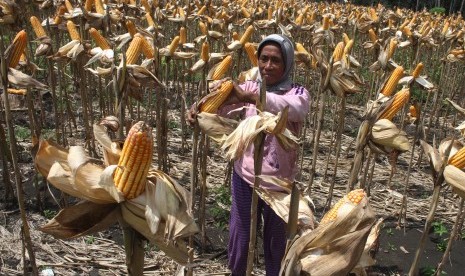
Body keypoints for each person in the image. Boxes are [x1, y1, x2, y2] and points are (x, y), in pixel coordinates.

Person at [188, 34, 310, 276]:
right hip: (244, 177)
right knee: (241, 239)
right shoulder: (251, 86)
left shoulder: (298, 93)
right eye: (263, 59)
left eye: (276, 60)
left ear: (287, 64)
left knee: (276, 245)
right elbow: (224, 104)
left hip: (279, 184)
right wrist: (199, 109)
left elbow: (296, 110)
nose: (267, 66)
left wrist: (252, 97)